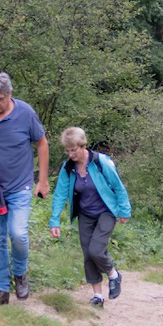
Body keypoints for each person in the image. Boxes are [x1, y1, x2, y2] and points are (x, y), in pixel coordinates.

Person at [0, 72, 50, 307]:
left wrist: (43, 180)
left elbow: (42, 143)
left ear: (10, 94)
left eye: (0, 99)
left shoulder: (26, 113)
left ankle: (21, 274)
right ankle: (2, 290)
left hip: (20, 185)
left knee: (18, 233)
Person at [49, 127, 130, 307]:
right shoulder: (68, 167)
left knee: (96, 250)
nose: (70, 154)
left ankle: (113, 275)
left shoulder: (101, 162)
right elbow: (60, 194)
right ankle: (98, 296)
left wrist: (124, 210)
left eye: (73, 150)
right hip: (85, 213)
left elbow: (118, 186)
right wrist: (54, 220)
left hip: (106, 211)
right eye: (67, 150)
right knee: (88, 254)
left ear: (82, 145)